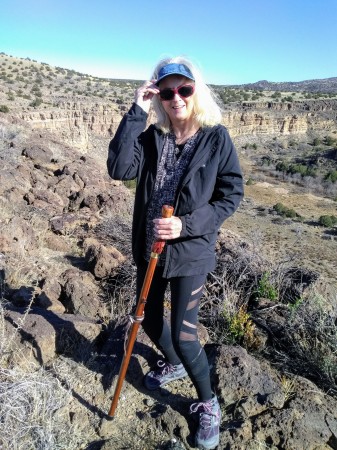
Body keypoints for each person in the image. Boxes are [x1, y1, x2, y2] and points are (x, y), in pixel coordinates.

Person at [107, 56, 244, 450]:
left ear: (196, 90)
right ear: (160, 97)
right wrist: (137, 109)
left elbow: (230, 195)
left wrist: (186, 225)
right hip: (148, 251)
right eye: (167, 92)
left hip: (190, 254)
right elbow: (119, 168)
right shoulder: (153, 137)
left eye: (184, 89)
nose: (176, 98)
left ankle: (208, 403)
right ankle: (172, 366)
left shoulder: (216, 138)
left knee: (186, 338)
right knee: (147, 320)